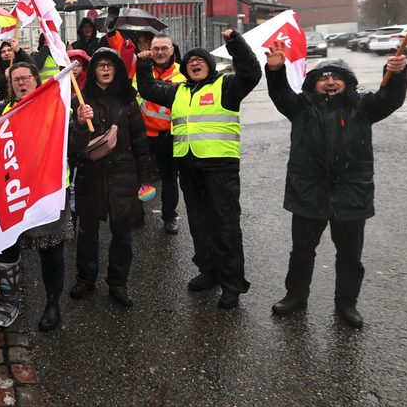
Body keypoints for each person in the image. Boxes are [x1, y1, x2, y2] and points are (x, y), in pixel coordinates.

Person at [265, 47, 407, 328]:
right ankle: (295, 296)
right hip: (308, 192)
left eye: (336, 77)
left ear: (347, 82)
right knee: (302, 251)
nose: (330, 82)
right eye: (323, 78)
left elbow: (390, 98)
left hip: (351, 193)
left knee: (350, 257)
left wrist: (397, 73)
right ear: (314, 83)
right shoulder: (300, 107)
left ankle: (346, 304)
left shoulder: (363, 107)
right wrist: (275, 70)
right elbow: (279, 94)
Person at [136, 28, 262, 309]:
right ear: (185, 68)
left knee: (225, 226)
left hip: (220, 168)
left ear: (209, 66)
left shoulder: (226, 87)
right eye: (190, 61)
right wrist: (144, 63)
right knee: (199, 224)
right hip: (189, 167)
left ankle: (232, 283)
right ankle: (209, 270)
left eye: (200, 60)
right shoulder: (177, 91)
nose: (194, 63)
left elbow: (252, 73)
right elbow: (147, 89)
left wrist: (235, 42)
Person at [0, 57, 72, 331]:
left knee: (50, 251)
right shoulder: (5, 110)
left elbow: (73, 142)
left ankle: (52, 303)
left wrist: (83, 123)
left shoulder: (55, 107)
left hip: (46, 193)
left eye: (26, 77)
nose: (21, 82)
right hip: (13, 192)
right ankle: (8, 299)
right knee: (6, 246)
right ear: (11, 87)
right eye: (16, 80)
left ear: (37, 80)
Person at [68, 49, 150, 307]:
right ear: (92, 71)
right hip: (91, 176)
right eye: (100, 65)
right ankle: (86, 279)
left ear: (116, 69)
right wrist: (80, 124)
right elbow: (73, 146)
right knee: (88, 233)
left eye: (109, 65)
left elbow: (140, 140)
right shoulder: (80, 101)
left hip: (123, 175)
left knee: (122, 235)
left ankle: (118, 282)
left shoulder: (127, 100)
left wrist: (144, 178)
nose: (104, 69)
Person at [131, 33, 187, 234]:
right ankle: (137, 215)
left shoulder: (183, 73)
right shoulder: (141, 70)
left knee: (169, 178)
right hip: (144, 135)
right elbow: (134, 96)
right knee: (139, 177)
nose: (160, 52)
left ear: (172, 50)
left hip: (168, 136)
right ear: (150, 51)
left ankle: (169, 216)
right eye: (156, 49)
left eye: (164, 48)